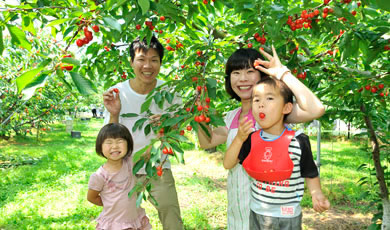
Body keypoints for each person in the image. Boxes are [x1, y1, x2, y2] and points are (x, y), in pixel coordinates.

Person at [197, 46, 325, 229]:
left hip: (269, 216)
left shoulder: (274, 113)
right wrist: (199, 110)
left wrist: (282, 74)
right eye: (236, 72)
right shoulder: (231, 117)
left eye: (250, 71)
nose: (243, 78)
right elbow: (206, 141)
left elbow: (315, 109)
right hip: (238, 210)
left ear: (262, 75)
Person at [223, 76, 330, 229]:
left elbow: (309, 172)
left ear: (286, 108)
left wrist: (316, 193)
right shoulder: (251, 139)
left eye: (269, 98)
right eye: (256, 100)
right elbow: (227, 164)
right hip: (257, 213)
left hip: (287, 216)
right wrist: (239, 138)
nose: (261, 105)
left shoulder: (298, 141)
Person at [102, 36, 183, 230]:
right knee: (121, 221)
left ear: (160, 63)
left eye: (154, 60)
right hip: (124, 168)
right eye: (141, 59)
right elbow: (108, 138)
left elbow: (179, 130)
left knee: (170, 214)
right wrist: (115, 113)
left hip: (157, 167)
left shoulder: (169, 91)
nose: (148, 65)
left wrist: (167, 126)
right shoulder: (117, 93)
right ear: (131, 62)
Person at [87, 123, 152, 230]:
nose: (115, 146)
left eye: (120, 141)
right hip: (115, 223)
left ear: (128, 144)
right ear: (100, 147)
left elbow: (147, 154)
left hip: (134, 218)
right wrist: (110, 204)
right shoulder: (99, 176)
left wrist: (160, 137)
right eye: (109, 142)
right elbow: (91, 197)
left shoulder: (130, 162)